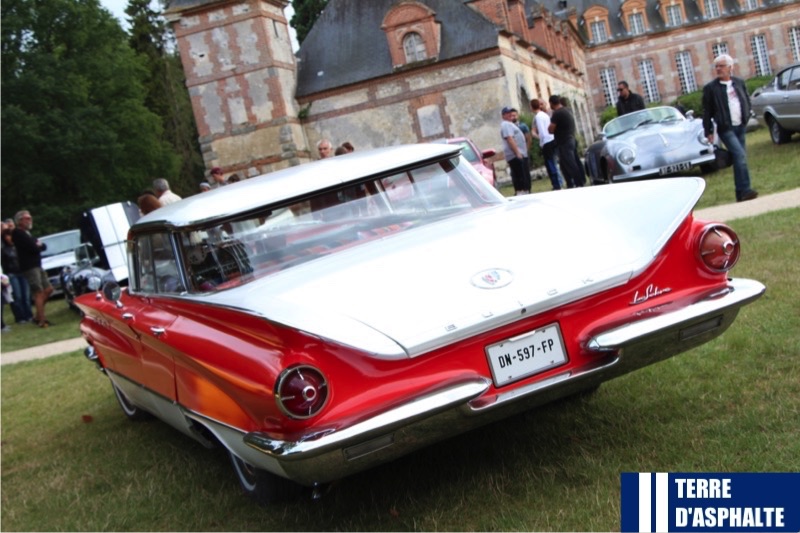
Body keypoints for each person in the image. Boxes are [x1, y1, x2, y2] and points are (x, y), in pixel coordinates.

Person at [703, 54, 758, 202]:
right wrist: (707, 131)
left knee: (739, 157)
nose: (718, 69)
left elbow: (746, 99)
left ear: (730, 67)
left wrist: (746, 115)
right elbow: (707, 111)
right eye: (717, 66)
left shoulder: (739, 83)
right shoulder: (711, 88)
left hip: (740, 125)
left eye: (721, 66)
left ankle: (740, 193)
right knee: (740, 156)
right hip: (725, 127)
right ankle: (746, 189)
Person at [11, 210, 53, 328]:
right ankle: (41, 320)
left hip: (37, 265)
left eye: (30, 218)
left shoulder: (28, 234)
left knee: (48, 289)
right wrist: (37, 246)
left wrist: (38, 246)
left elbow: (42, 246)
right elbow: (33, 248)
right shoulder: (18, 233)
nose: (30, 220)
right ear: (20, 221)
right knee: (38, 292)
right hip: (29, 267)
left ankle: (37, 315)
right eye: (27, 218)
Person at [548, 95, 586, 188]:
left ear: (551, 103)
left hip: (564, 141)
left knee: (570, 163)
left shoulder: (557, 114)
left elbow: (550, 129)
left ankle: (578, 183)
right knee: (565, 165)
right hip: (570, 139)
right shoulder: (567, 110)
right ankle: (572, 183)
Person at [1, 228, 33, 324]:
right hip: (12, 274)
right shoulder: (4, 250)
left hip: (23, 272)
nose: (9, 238)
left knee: (26, 296)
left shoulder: (19, 247)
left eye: (10, 235)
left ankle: (29, 315)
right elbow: (4, 264)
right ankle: (20, 317)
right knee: (17, 296)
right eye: (7, 236)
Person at [531, 98, 563, 190]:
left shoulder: (538, 117)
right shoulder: (544, 115)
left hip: (547, 141)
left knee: (550, 164)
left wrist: (542, 143)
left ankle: (556, 184)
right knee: (553, 162)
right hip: (552, 139)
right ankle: (558, 182)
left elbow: (542, 131)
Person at [500, 106, 530, 195]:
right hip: (515, 155)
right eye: (507, 113)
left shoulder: (509, 124)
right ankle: (522, 193)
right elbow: (510, 138)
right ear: (503, 115)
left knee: (522, 175)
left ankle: (524, 191)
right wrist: (517, 152)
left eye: (510, 112)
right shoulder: (506, 124)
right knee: (520, 176)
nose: (509, 114)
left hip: (518, 154)